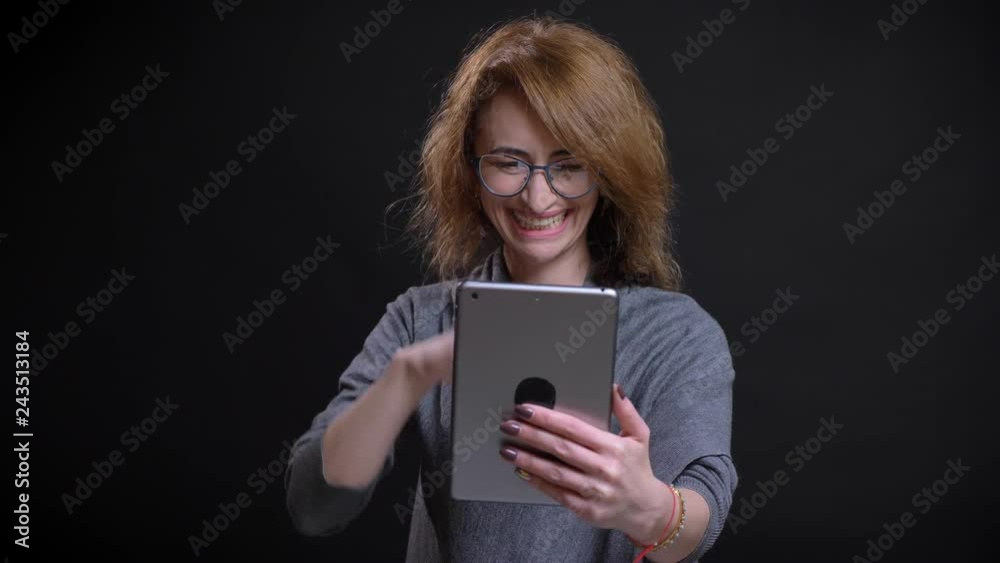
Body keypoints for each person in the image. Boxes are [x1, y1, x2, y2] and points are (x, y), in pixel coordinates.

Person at [285, 16, 736, 563]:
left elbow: (700, 515)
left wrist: (649, 509)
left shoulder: (676, 333)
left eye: (568, 166)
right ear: (470, 168)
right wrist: (407, 376)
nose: (538, 197)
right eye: (508, 163)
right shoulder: (422, 322)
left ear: (610, 171)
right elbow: (315, 506)